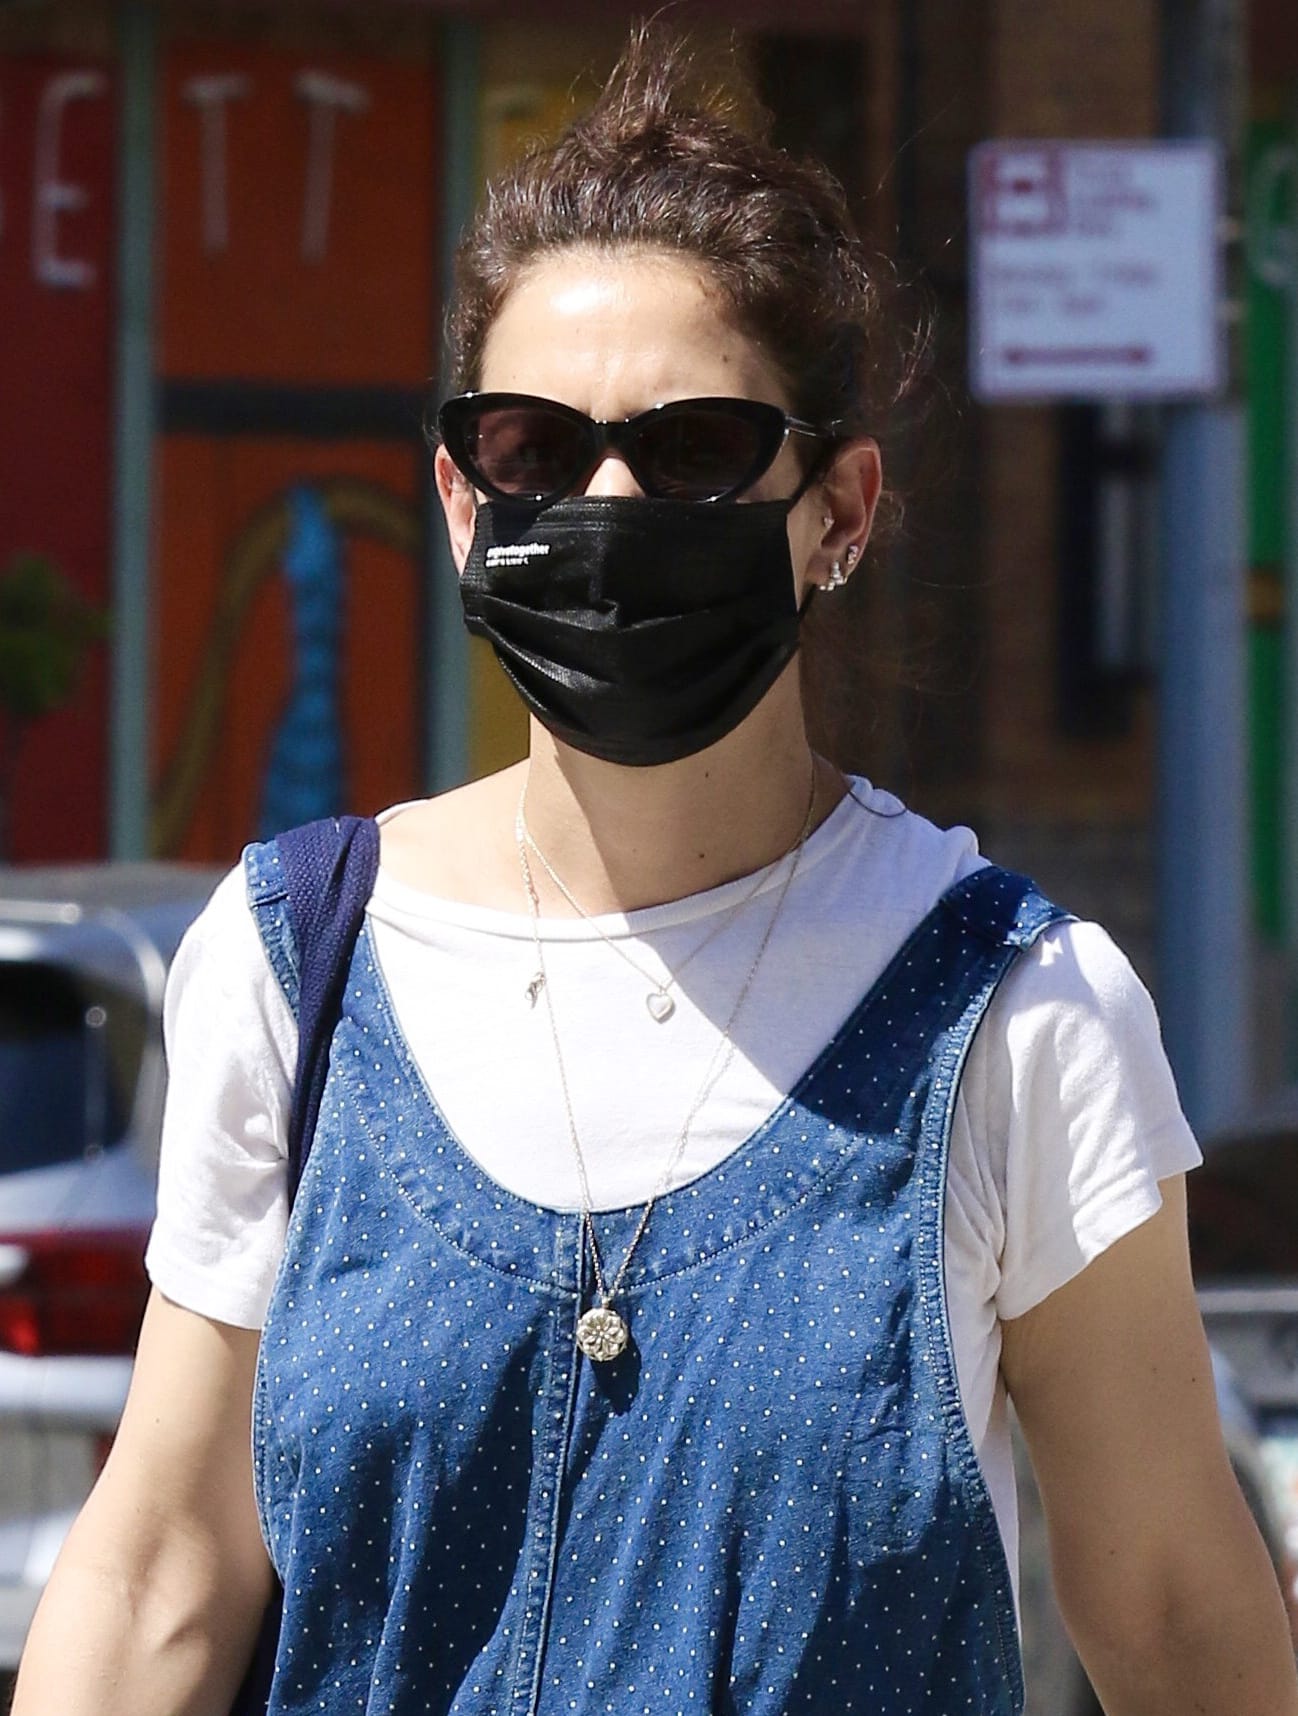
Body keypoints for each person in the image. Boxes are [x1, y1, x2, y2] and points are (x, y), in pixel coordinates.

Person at [13, 27, 1298, 1716]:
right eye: (537, 448)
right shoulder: (296, 958)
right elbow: (161, 1563)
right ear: (462, 501)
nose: (608, 502)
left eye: (691, 452)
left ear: (838, 512)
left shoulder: (1016, 1016)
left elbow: (1179, 1630)